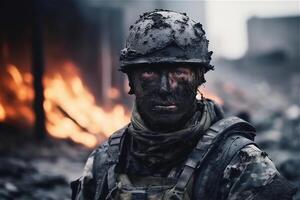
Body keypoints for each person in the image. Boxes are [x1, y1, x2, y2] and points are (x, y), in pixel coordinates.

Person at [71, 10, 296, 200]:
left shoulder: (240, 164)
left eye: (179, 72)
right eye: (149, 72)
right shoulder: (104, 162)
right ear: (131, 81)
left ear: (199, 78)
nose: (165, 88)